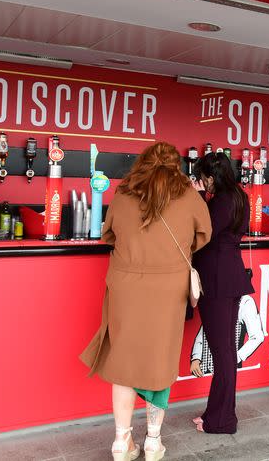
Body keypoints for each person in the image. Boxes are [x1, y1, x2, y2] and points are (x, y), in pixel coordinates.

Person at [79, 142, 211, 461]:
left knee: (123, 364)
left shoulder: (124, 194)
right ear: (175, 166)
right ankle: (153, 441)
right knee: (159, 362)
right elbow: (204, 234)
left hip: (126, 287)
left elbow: (108, 234)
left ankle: (121, 442)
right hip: (168, 289)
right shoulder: (188, 196)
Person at [189, 152, 254, 434]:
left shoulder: (222, 201)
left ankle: (222, 420)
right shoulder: (239, 196)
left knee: (223, 352)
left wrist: (196, 199)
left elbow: (203, 235)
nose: (202, 184)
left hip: (217, 280)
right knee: (225, 349)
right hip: (229, 277)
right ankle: (217, 413)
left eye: (203, 179)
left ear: (211, 178)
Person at [190, 294, 264, 378]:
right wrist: (196, 358)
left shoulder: (244, 301)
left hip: (227, 368)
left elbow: (257, 337)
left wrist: (235, 358)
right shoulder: (214, 296)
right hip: (203, 369)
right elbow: (204, 330)